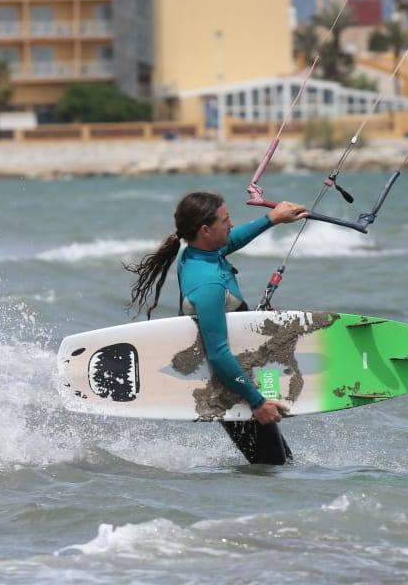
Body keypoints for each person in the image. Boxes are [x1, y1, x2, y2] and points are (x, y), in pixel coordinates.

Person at [126, 191, 309, 465]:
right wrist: (257, 402)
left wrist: (273, 218)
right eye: (225, 220)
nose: (231, 225)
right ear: (205, 230)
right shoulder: (208, 285)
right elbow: (218, 353)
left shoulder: (199, 253)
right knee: (272, 466)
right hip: (228, 386)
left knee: (277, 465)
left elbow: (233, 239)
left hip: (239, 375)